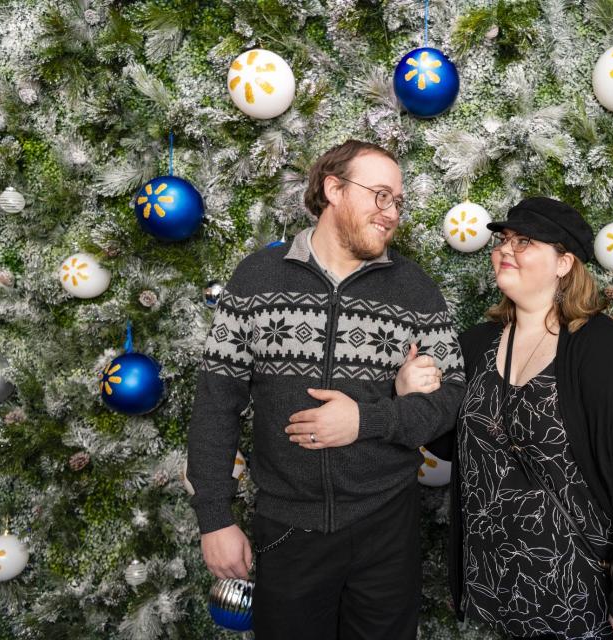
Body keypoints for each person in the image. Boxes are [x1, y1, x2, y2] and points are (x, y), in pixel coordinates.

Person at [186, 139, 466, 640]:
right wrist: (213, 518)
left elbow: (452, 396)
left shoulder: (414, 289)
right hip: (288, 529)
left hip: (387, 524)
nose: (391, 213)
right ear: (333, 188)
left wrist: (369, 419)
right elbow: (215, 405)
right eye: (380, 195)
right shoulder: (257, 279)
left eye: (397, 201)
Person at [408, 197, 613, 640]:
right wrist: (412, 395)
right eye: (502, 240)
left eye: (524, 241)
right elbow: (451, 447)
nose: (504, 249)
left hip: (584, 605)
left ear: (564, 263)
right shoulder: (475, 344)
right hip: (500, 598)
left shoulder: (611, 356)